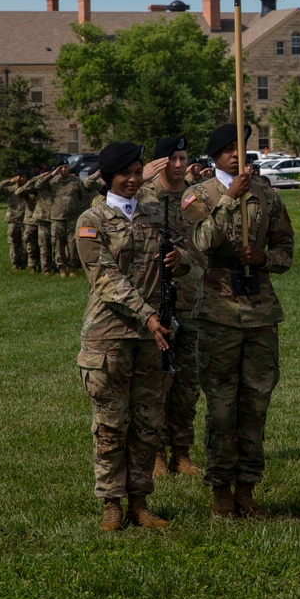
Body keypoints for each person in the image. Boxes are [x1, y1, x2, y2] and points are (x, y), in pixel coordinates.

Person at [75, 141, 195, 531]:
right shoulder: (91, 220)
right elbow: (106, 277)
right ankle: (111, 503)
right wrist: (147, 316)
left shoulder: (156, 214)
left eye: (137, 171)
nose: (132, 179)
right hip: (110, 337)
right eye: (124, 173)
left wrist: (181, 262)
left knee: (147, 424)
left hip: (153, 339)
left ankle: (140, 504)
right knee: (111, 424)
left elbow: (186, 255)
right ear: (109, 178)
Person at [183, 124, 293, 519]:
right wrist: (230, 199)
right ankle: (221, 492)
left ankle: (247, 487)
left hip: (261, 311)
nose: (236, 156)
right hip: (219, 312)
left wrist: (265, 259)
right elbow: (201, 244)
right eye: (228, 150)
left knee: (255, 404)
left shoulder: (267, 194)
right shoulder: (200, 195)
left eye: (240, 149)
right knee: (222, 407)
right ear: (215, 157)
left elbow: (285, 248)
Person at [137, 135, 207, 480]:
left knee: (187, 383)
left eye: (182, 158)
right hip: (155, 302)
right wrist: (143, 180)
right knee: (156, 382)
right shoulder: (142, 198)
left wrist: (185, 258)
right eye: (171, 160)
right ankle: (155, 455)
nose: (178, 166)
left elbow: (207, 246)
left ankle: (182, 452)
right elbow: (103, 207)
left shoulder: (197, 198)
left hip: (191, 299)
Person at [48, 162, 88, 277]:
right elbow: (38, 185)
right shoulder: (52, 181)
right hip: (57, 217)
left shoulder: (76, 181)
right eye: (61, 167)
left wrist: (82, 213)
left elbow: (84, 197)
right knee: (58, 243)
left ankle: (72, 268)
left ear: (69, 168)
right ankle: (61, 267)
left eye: (66, 167)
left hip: (72, 217)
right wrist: (52, 174)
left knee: (72, 243)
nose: (64, 169)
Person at [0, 172, 27, 270]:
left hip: (25, 220)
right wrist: (9, 181)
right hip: (13, 220)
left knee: (25, 244)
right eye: (20, 177)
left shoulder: (28, 189)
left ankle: (23, 265)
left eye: (24, 177)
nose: (22, 179)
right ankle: (14, 265)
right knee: (13, 244)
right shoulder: (10, 189)